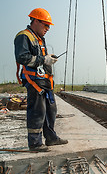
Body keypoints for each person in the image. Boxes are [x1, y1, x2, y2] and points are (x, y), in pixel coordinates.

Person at [14, 8, 68, 152]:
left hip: (44, 82)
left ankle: (51, 138)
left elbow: (39, 58)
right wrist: (44, 59)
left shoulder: (38, 38)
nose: (48, 29)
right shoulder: (24, 36)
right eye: (45, 25)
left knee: (51, 110)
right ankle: (35, 143)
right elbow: (22, 57)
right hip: (34, 82)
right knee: (37, 112)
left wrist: (48, 59)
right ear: (36, 21)